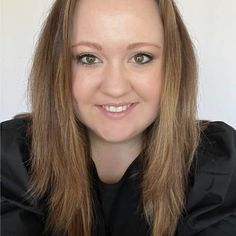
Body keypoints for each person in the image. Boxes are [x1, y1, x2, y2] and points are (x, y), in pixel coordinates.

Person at [1, 0, 236, 235]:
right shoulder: (12, 159)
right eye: (88, 58)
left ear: (174, 66)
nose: (115, 88)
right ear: (56, 66)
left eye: (141, 57)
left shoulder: (217, 164)